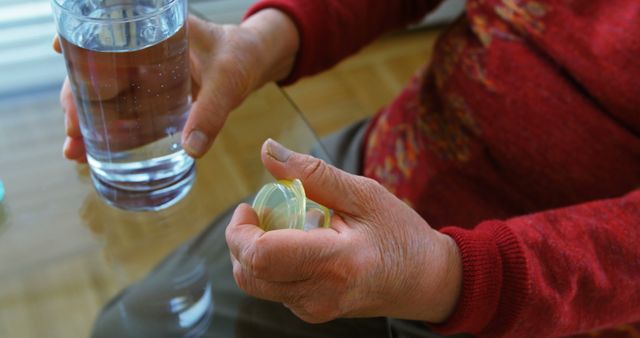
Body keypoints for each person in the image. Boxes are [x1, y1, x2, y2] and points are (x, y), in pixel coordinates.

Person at [55, 0, 640, 337]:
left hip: (545, 295)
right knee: (128, 329)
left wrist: (446, 275)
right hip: (391, 163)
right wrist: (260, 40)